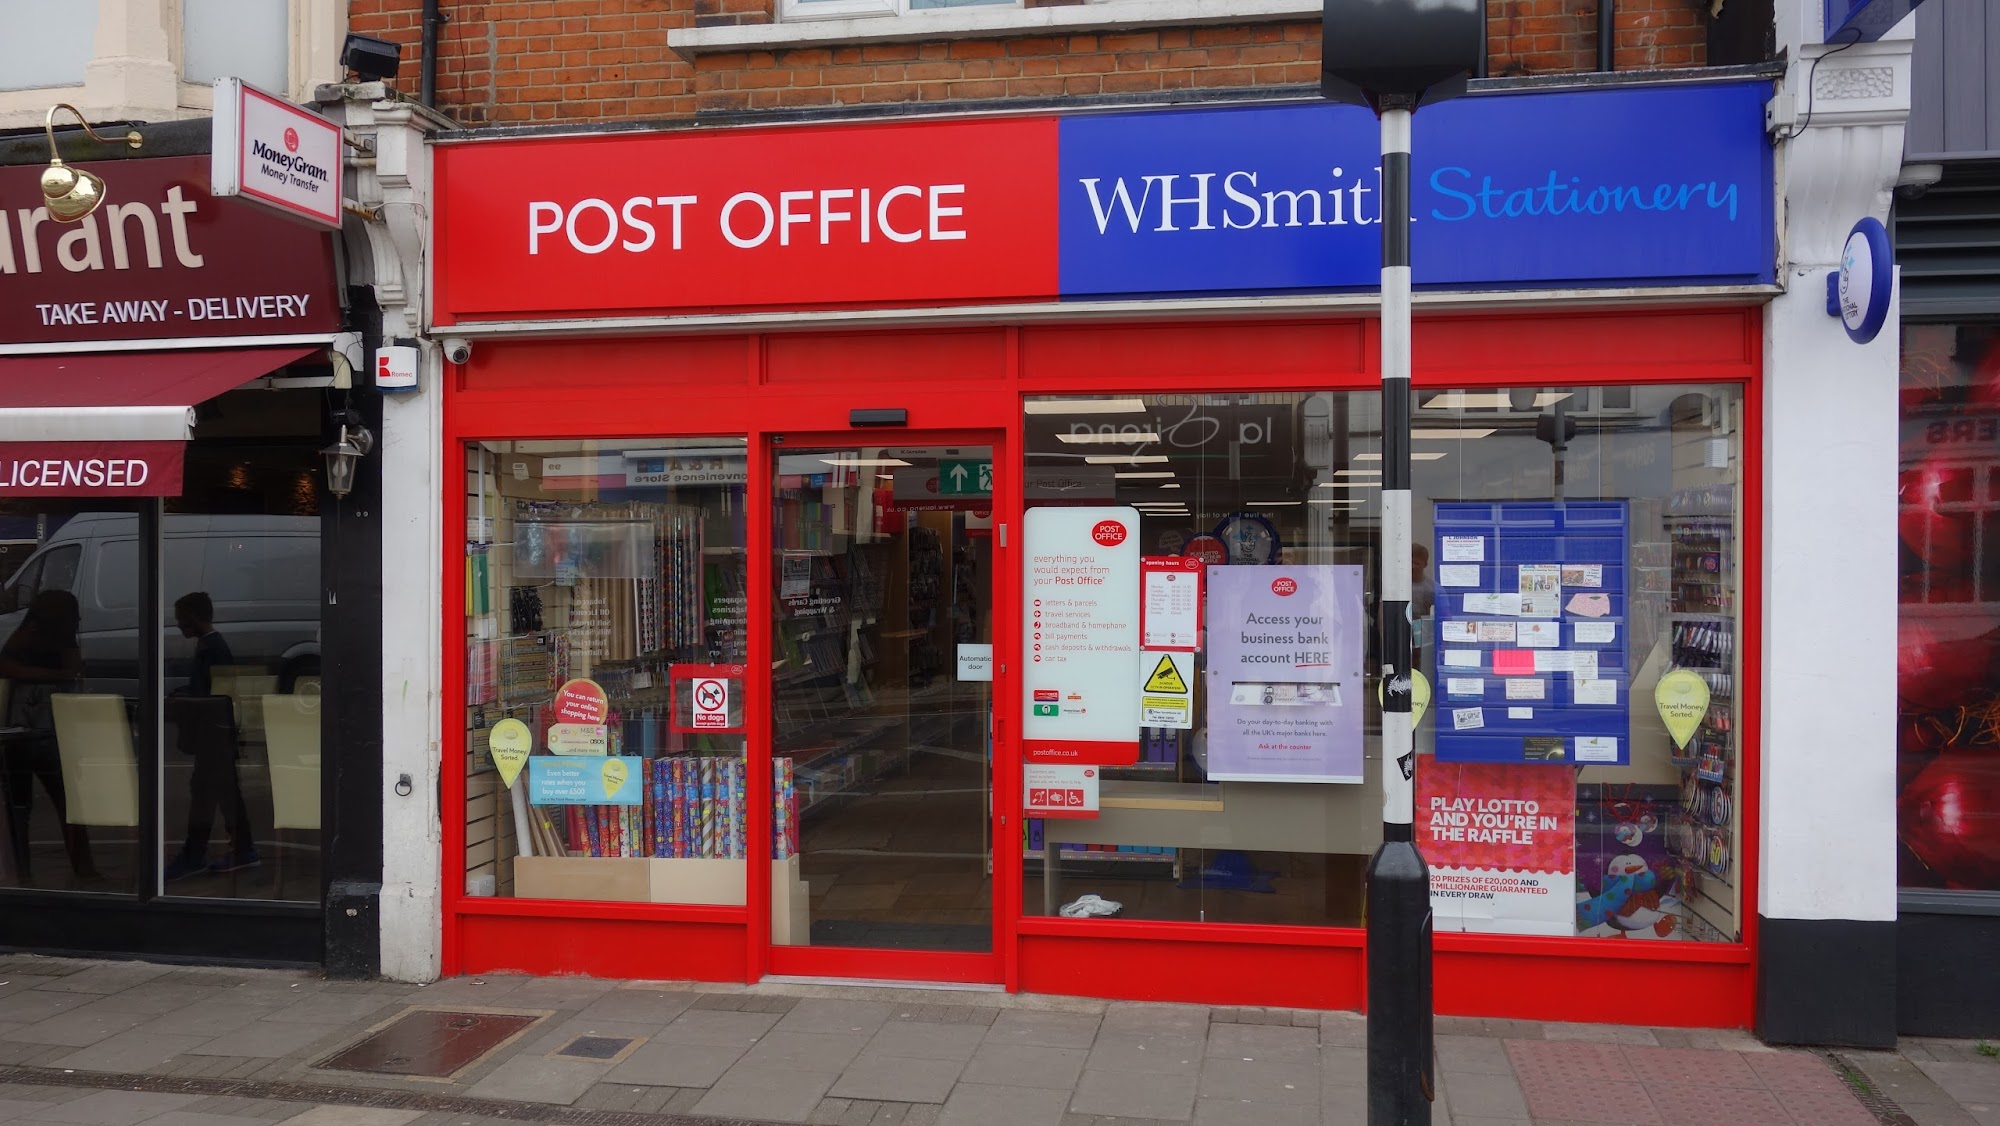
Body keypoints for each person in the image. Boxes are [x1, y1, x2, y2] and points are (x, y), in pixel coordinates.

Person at [0, 590, 98, 884]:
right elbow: (70, 670)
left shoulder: (33, 633)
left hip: (27, 725)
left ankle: (23, 872)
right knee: (65, 801)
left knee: (22, 806)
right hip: (45, 725)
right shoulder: (42, 635)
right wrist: (57, 675)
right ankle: (82, 869)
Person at [163, 592, 258, 880]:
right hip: (218, 735)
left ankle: (196, 855)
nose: (178, 624)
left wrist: (186, 699)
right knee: (223, 794)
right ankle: (240, 850)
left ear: (193, 616)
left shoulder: (211, 648)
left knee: (206, 794)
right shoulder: (212, 645)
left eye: (181, 618)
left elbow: (215, 693)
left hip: (213, 736)